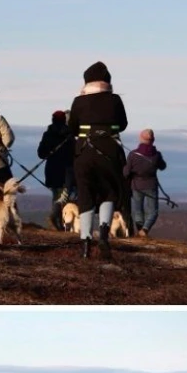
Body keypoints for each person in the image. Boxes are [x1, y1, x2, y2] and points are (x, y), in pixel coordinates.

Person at [69, 61, 128, 259]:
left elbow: (72, 128)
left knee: (85, 195)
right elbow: (123, 124)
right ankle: (103, 235)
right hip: (110, 152)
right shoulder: (115, 101)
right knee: (109, 192)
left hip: (84, 152)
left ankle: (85, 243)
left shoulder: (78, 101)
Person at [124, 129, 168, 237]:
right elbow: (163, 166)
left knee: (138, 211)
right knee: (153, 212)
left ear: (141, 138)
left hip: (136, 186)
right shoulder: (157, 155)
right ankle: (144, 230)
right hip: (151, 185)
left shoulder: (133, 154)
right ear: (153, 140)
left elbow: (126, 172)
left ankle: (140, 231)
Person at [37, 110, 75, 229]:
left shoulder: (47, 134)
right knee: (65, 196)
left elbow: (41, 154)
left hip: (52, 169)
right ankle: (56, 218)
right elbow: (75, 154)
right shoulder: (70, 136)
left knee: (56, 196)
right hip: (66, 170)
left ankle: (58, 223)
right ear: (65, 120)